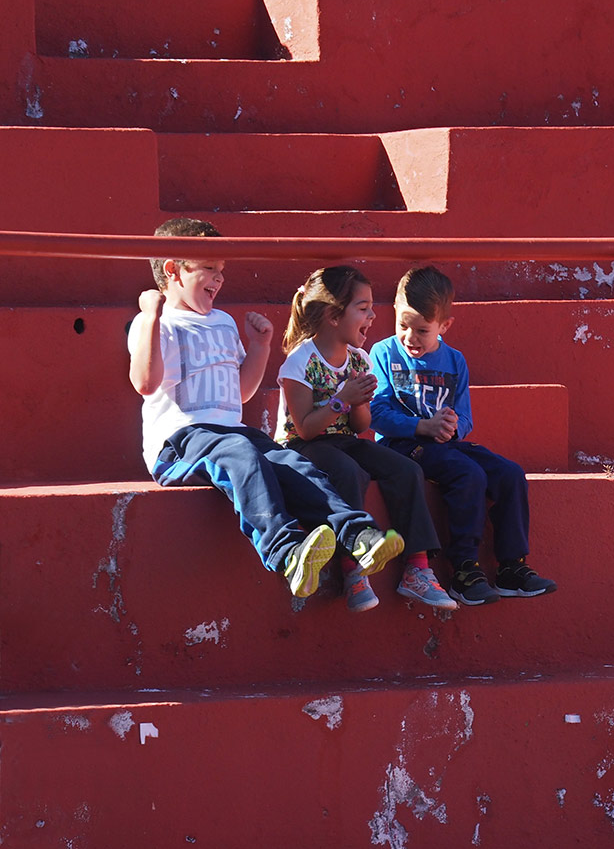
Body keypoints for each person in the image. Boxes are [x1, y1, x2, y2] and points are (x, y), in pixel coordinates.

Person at [127, 218, 404, 599]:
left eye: (222, 270)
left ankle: (356, 533)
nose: (219, 278)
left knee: (290, 461)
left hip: (229, 433)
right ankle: (286, 553)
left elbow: (240, 393)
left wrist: (259, 347)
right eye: (209, 268)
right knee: (241, 453)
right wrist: (151, 316)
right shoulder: (160, 323)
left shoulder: (222, 322)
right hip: (181, 442)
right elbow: (145, 383)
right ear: (173, 270)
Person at [369, 265, 557, 606]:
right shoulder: (383, 353)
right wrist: (422, 426)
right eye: (403, 326)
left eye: (422, 330)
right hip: (402, 446)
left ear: (444, 326)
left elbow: (466, 416)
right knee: (467, 473)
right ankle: (464, 570)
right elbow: (376, 414)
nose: (410, 338)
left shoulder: (455, 361)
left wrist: (453, 425)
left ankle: (511, 567)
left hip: (445, 444)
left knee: (509, 473)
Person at [276, 265, 458, 612]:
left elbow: (361, 426)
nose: (373, 316)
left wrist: (358, 401)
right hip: (305, 447)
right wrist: (342, 398)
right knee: (348, 471)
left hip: (345, 439)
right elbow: (305, 429)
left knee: (405, 470)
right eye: (363, 308)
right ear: (333, 315)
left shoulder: (359, 359)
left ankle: (417, 569)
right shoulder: (300, 361)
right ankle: (353, 571)